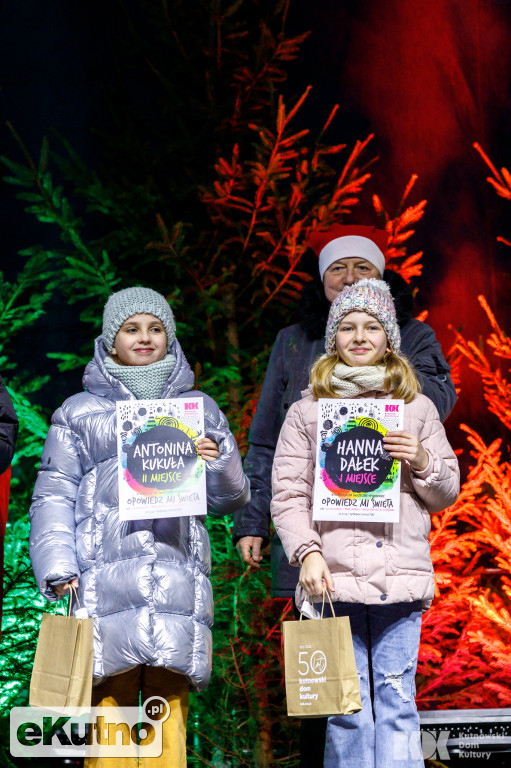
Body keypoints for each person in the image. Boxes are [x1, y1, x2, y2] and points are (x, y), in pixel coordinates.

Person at [29, 287, 250, 768]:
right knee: (109, 721)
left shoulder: (199, 409)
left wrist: (219, 461)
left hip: (176, 585)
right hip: (102, 586)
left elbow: (232, 497)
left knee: (167, 727)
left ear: (170, 337)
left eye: (155, 328)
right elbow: (53, 494)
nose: (144, 337)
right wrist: (58, 566)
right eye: (132, 329)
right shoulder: (78, 413)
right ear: (111, 341)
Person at [271, 278, 460, 768]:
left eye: (372, 327)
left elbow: (445, 493)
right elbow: (289, 495)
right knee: (345, 711)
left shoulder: (416, 410)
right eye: (348, 327)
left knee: (397, 705)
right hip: (332, 583)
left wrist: (421, 459)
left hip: (400, 583)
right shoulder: (307, 412)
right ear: (333, 338)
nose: (360, 336)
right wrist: (307, 553)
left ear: (389, 338)